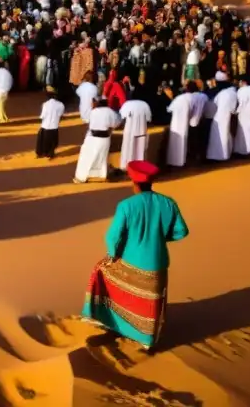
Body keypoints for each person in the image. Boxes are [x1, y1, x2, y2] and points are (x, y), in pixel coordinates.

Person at [81, 161, 189, 350]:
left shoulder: (126, 206)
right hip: (157, 262)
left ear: (133, 182)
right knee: (151, 302)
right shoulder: (168, 203)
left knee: (100, 272)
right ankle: (147, 340)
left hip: (131, 260)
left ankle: (113, 323)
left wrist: (112, 254)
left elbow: (112, 236)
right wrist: (159, 238)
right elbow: (181, 231)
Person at [74, 98, 120, 183]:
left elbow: (88, 121)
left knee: (86, 157)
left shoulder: (93, 111)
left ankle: (81, 177)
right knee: (102, 157)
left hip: (92, 137)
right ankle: (101, 175)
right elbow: (117, 123)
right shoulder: (110, 112)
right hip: (104, 138)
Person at [205, 83, 238, 162]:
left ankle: (216, 156)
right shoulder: (234, 94)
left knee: (217, 137)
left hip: (218, 116)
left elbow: (215, 103)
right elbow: (233, 109)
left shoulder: (221, 93)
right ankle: (225, 155)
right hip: (227, 116)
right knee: (226, 135)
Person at [118, 96, 152, 170]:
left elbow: (122, 118)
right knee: (140, 151)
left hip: (129, 132)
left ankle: (126, 167)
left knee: (128, 149)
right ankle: (139, 168)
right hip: (141, 131)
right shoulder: (145, 105)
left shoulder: (126, 104)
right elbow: (148, 120)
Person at [165, 85, 193, 167]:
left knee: (174, 143)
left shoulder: (177, 99)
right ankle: (181, 161)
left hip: (175, 124)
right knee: (182, 142)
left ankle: (173, 162)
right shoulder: (189, 98)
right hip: (183, 123)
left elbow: (169, 109)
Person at [35, 86, 65, 159]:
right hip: (54, 126)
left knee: (41, 140)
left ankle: (40, 153)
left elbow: (42, 116)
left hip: (45, 126)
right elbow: (60, 115)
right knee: (52, 142)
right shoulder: (61, 104)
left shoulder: (45, 104)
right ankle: (50, 154)